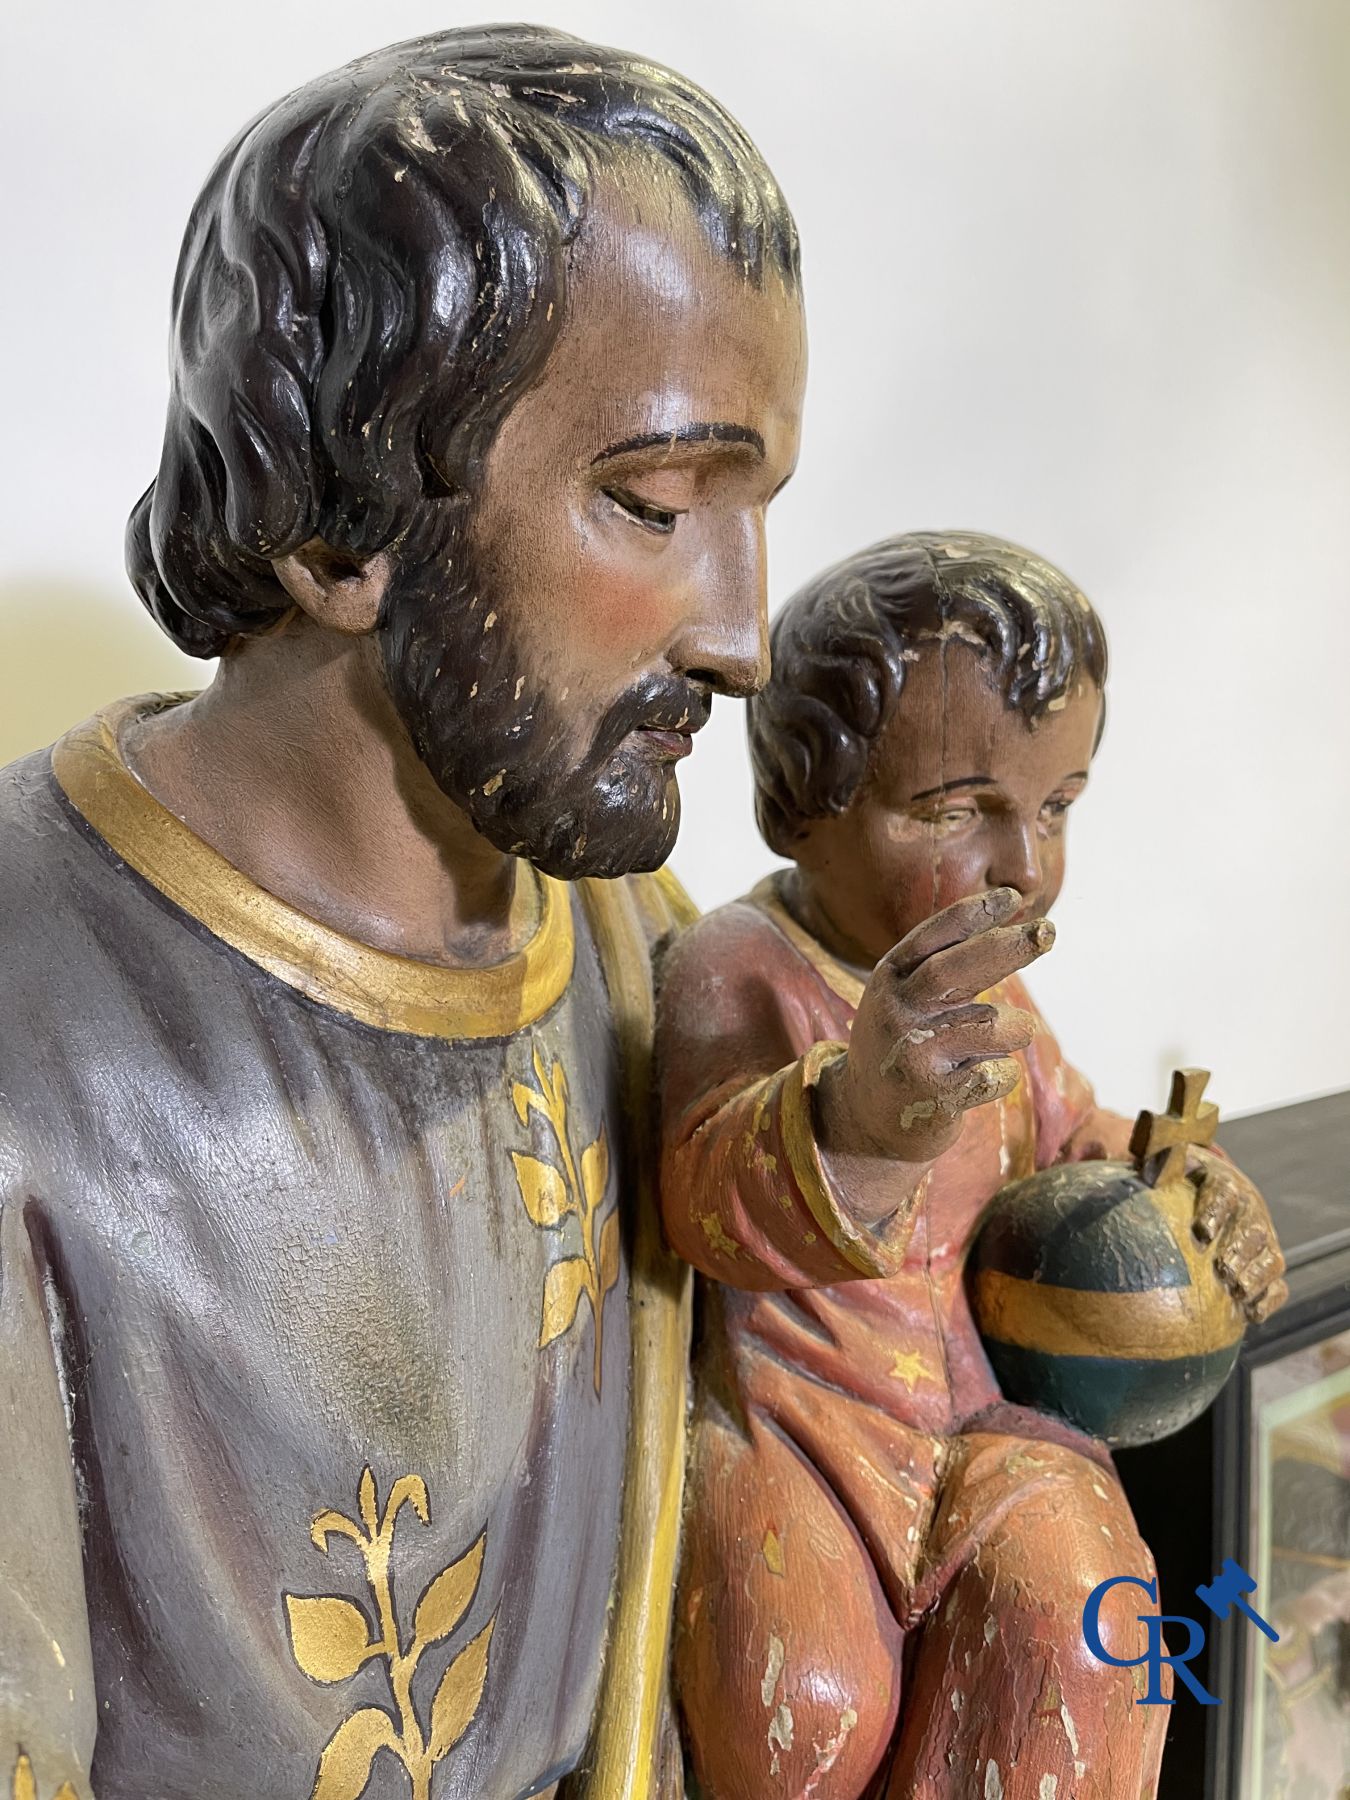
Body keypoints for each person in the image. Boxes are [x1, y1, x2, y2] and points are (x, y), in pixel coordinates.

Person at [0, 27, 805, 1800]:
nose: (745, 637)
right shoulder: (28, 1038)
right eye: (657, 503)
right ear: (342, 527)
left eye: (757, 512)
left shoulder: (623, 948)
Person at [657, 531, 1287, 1799]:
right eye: (961, 810)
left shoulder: (1002, 1009)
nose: (1030, 864)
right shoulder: (740, 967)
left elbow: (1075, 1138)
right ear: (803, 804)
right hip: (804, 1420)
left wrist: (1192, 1195)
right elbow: (702, 1198)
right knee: (805, 1702)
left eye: (1057, 808)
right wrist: (854, 1122)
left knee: (1093, 1622)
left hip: (990, 1421)